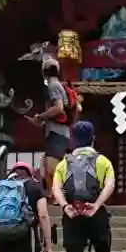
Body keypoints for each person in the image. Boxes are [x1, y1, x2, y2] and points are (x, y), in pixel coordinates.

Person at [52, 118, 116, 252]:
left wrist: (65, 206)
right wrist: (96, 205)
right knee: (103, 251)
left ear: (73, 140)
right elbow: (110, 184)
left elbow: (55, 188)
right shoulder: (102, 161)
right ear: (93, 139)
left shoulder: (64, 163)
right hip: (95, 214)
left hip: (72, 214)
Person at [35, 61, 76, 196]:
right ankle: (56, 195)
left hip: (57, 133)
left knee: (52, 167)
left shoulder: (53, 86)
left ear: (44, 72)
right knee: (51, 166)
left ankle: (56, 196)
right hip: (60, 131)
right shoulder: (59, 85)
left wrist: (41, 116)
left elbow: (59, 108)